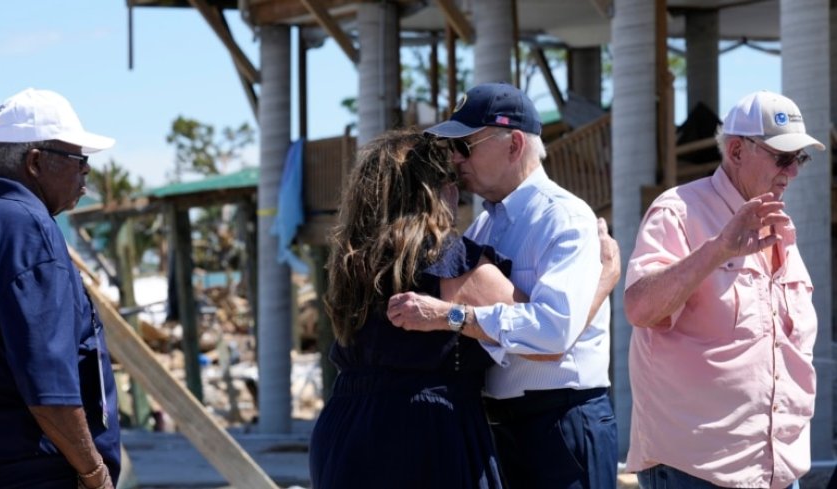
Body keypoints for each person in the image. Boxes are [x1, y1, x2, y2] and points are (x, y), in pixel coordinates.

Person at [309, 128, 619, 488]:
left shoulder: (354, 264)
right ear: (436, 191)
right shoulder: (452, 262)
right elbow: (549, 339)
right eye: (450, 179)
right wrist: (604, 280)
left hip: (343, 428)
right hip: (423, 432)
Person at [388, 82, 618, 488]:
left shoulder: (564, 218)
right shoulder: (484, 225)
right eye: (451, 148)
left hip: (560, 423)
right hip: (506, 422)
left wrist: (449, 316)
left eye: (465, 145)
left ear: (514, 144)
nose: (455, 159)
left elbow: (553, 332)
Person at [624, 90, 822, 489]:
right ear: (735, 151)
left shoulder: (778, 225)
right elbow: (640, 308)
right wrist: (718, 250)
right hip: (695, 471)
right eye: (784, 157)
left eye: (799, 158)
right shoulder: (678, 210)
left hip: (777, 469)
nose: (794, 171)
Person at [0, 88, 119, 489]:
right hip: (32, 474)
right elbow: (48, 386)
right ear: (35, 162)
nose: (87, 172)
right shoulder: (28, 230)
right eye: (79, 160)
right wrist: (94, 474)